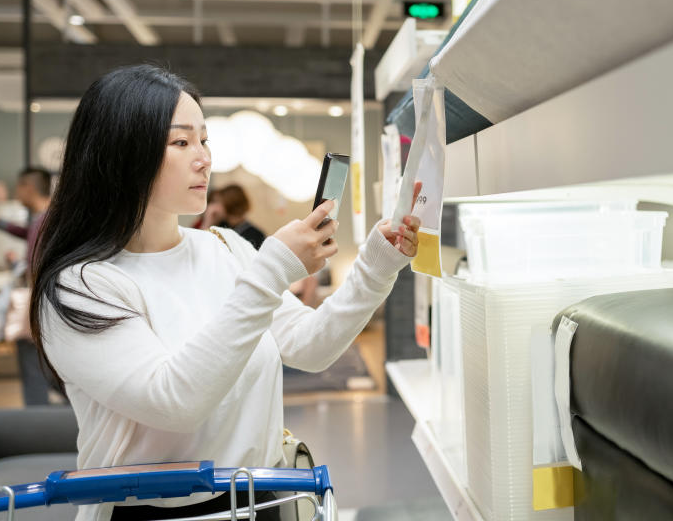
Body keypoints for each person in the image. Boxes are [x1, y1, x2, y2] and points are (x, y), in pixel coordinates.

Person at [29, 65, 422, 521]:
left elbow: (310, 347)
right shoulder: (81, 286)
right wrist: (273, 267)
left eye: (204, 139)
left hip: (261, 499)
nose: (204, 158)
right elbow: (174, 401)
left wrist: (377, 265)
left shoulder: (226, 246)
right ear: (123, 153)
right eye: (181, 142)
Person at [0, 167, 59, 406]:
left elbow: (42, 263)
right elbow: (28, 236)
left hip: (42, 305)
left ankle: (38, 421)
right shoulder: (46, 217)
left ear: (28, 187)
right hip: (44, 304)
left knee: (33, 364)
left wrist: (22, 267)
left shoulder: (48, 218)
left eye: (19, 187)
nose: (17, 192)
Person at [203, 184, 267, 249]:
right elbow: (201, 244)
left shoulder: (256, 235)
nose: (214, 207)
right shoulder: (219, 225)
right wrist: (208, 221)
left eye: (218, 202)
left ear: (229, 204)